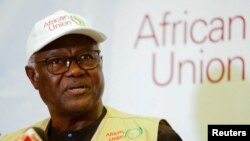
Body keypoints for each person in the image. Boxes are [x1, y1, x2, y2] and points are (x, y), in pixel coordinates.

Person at [0, 10, 182, 141]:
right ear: (33, 76)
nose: (76, 70)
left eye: (86, 57)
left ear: (100, 63)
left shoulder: (153, 135)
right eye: (57, 61)